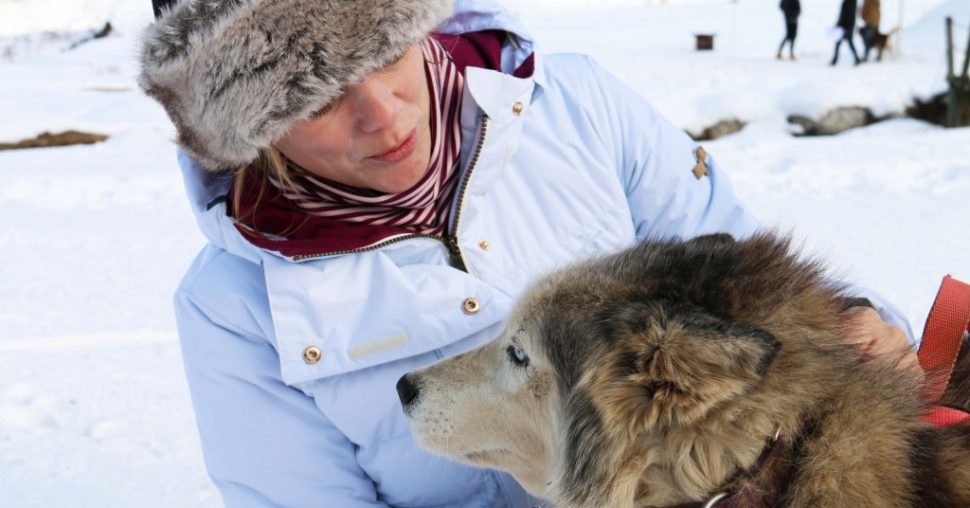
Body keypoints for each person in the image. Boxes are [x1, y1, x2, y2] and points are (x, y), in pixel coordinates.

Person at [139, 0, 916, 506]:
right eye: (317, 97)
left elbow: (742, 288)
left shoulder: (578, 110)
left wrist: (855, 321)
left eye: (385, 52)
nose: (380, 113)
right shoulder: (235, 309)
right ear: (252, 130)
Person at [832, 0, 862, 66]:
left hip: (846, 27)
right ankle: (857, 58)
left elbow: (848, 15)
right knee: (848, 43)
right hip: (845, 26)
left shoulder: (849, 2)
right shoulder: (849, 2)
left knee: (840, 43)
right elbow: (842, 14)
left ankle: (834, 60)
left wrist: (844, 26)